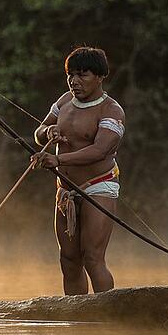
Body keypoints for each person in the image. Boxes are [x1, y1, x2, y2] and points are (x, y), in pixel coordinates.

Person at [31, 46, 125, 296]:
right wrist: (48, 132)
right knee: (69, 259)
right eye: (70, 75)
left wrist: (58, 161)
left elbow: (100, 151)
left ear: (100, 76)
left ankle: (109, 312)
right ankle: (78, 316)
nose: (74, 81)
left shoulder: (112, 111)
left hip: (99, 186)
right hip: (66, 191)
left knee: (92, 257)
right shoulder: (63, 102)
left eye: (82, 75)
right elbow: (39, 133)